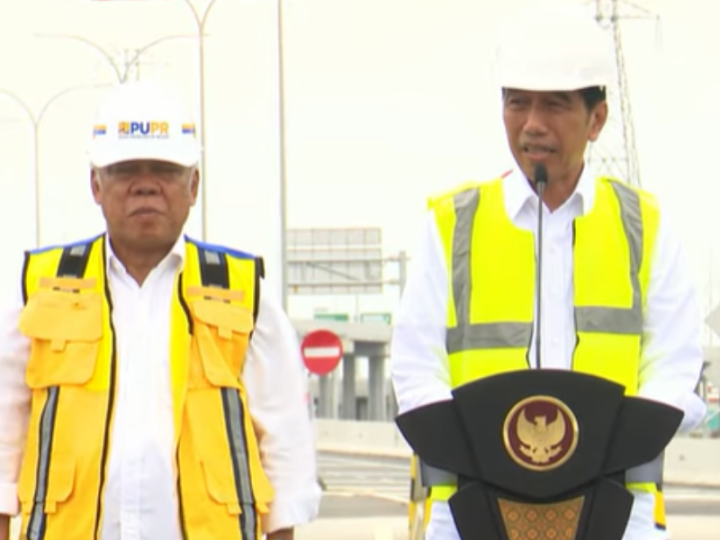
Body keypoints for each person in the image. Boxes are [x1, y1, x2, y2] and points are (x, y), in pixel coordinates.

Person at [390, 6, 706, 540]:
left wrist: (609, 448)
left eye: (555, 106)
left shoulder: (644, 226)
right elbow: (415, 368)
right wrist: (486, 457)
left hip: (615, 507)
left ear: (597, 118)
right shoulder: (450, 225)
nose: (532, 124)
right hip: (473, 509)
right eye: (518, 103)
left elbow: (674, 366)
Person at [0, 80, 321, 540]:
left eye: (165, 170)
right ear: (95, 183)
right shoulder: (37, 288)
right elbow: (3, 438)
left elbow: (285, 449)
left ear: (193, 185)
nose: (145, 185)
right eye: (126, 169)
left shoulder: (245, 295)